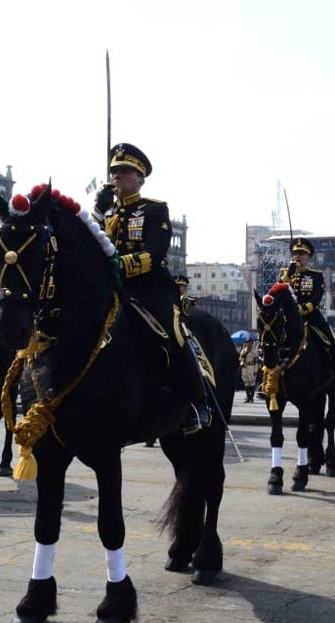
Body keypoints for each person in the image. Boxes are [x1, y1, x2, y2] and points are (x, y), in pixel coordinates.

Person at [94, 142, 211, 432]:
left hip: (149, 291)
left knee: (174, 333)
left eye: (124, 171)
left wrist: (121, 264)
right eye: (114, 171)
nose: (117, 176)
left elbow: (155, 252)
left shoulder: (155, 210)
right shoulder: (105, 215)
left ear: (140, 178)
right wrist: (96, 211)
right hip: (112, 291)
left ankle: (199, 403)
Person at [279, 237, 335, 393]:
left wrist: (301, 309)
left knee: (332, 339)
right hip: (288, 318)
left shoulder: (315, 275)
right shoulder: (286, 274)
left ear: (308, 257)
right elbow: (279, 291)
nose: (297, 256)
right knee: (270, 340)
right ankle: (265, 379)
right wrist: (288, 276)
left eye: (301, 253)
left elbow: (316, 298)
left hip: (310, 316)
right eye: (295, 253)